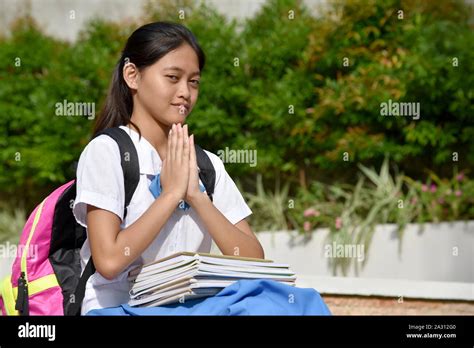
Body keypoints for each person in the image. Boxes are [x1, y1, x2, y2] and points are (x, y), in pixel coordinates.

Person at [73, 21, 264, 315]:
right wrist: (170, 194)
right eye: (173, 77)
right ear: (132, 76)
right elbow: (109, 262)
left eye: (194, 81)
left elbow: (253, 260)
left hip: (189, 308)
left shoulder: (207, 165)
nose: (185, 92)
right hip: (119, 308)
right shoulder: (107, 152)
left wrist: (197, 197)